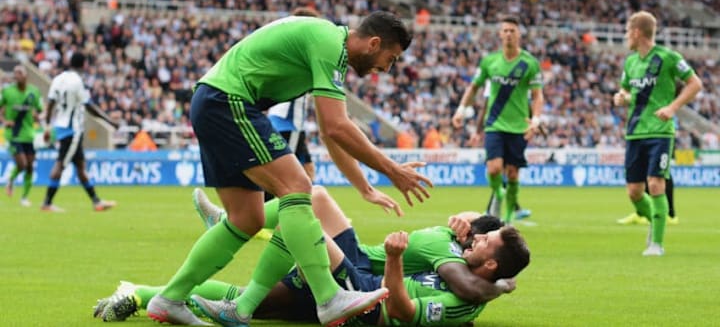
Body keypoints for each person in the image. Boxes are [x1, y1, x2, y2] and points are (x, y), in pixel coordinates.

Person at [146, 11, 433, 327]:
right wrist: (392, 170)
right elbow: (338, 126)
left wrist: (365, 187)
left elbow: (329, 130)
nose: (386, 69)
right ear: (374, 43)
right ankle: (329, 297)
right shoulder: (330, 45)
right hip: (229, 102)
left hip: (214, 101)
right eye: (389, 59)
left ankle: (170, 298)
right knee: (298, 186)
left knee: (248, 219)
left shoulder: (326, 44)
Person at [95, 187, 528, 326]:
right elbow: (477, 245)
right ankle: (240, 229)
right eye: (476, 235)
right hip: (356, 268)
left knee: (299, 216)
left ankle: (238, 232)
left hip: (364, 291)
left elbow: (410, 306)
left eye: (481, 242)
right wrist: (503, 284)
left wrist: (500, 284)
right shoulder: (445, 244)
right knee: (311, 196)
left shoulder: (461, 280)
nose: (472, 238)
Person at [612, 11, 702, 256]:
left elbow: (695, 83)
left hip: (660, 132)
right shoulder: (630, 62)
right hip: (634, 133)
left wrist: (673, 107)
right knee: (634, 191)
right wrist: (621, 97)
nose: (626, 37)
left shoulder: (668, 57)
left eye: (628, 32)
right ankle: (655, 217)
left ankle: (656, 244)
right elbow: (627, 92)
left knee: (656, 183)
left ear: (637, 32)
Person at [452, 15, 544, 224]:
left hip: (519, 126)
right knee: (493, 168)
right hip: (494, 124)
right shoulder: (489, 62)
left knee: (512, 174)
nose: (509, 34)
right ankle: (499, 194)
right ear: (500, 34)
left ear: (519, 34)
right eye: (505, 31)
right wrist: (461, 110)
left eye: (513, 30)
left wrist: (536, 120)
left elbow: (538, 95)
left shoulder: (529, 63)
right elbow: (474, 87)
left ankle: (509, 217)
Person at [40, 52, 118, 212]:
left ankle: (96, 202)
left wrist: (48, 127)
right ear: (84, 65)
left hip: (60, 127)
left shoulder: (58, 79)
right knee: (60, 165)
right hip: (72, 130)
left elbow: (50, 105)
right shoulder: (77, 82)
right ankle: (47, 203)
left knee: (81, 166)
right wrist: (109, 121)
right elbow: (89, 106)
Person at [474, 84, 532, 220]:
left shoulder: (522, 80)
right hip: (497, 131)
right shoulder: (494, 79)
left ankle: (506, 210)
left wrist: (534, 122)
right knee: (498, 173)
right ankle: (498, 210)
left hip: (514, 132)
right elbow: (485, 106)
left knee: (508, 175)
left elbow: (527, 105)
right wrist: (478, 131)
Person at [0, 65, 43, 206]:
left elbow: (40, 111)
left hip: (29, 134)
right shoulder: (7, 91)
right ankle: (10, 181)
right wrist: (5, 121)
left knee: (30, 166)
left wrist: (38, 116)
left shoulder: (34, 92)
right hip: (13, 134)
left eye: (19, 72)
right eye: (15, 72)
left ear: (26, 76)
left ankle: (24, 197)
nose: (16, 75)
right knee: (22, 164)